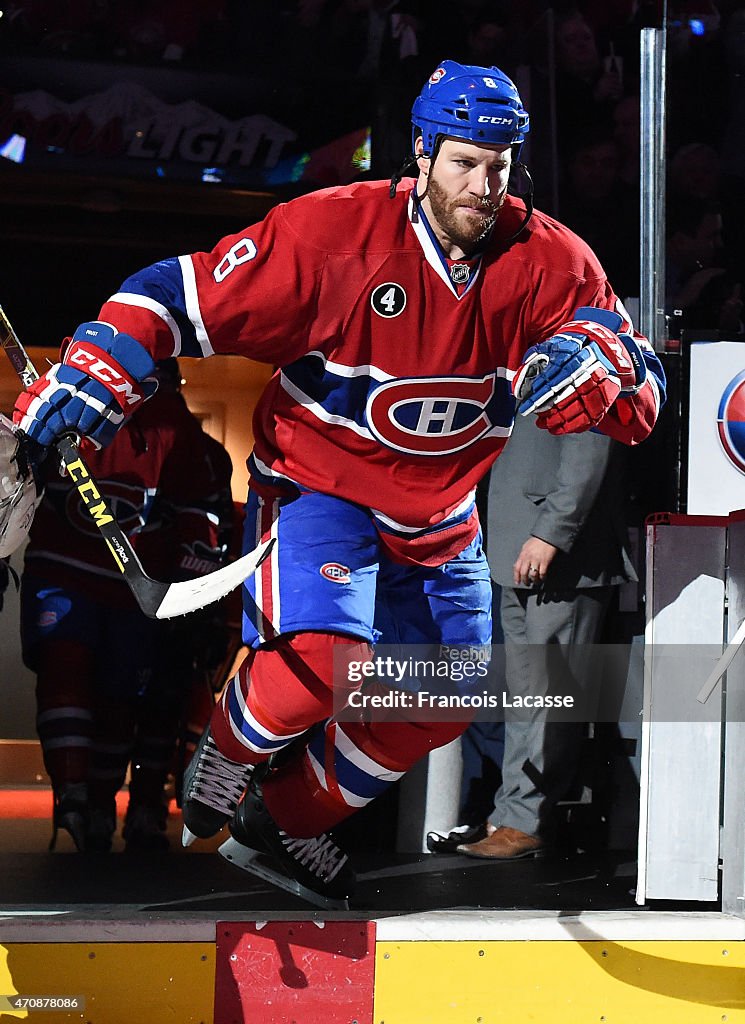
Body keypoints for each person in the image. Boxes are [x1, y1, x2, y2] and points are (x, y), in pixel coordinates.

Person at [12, 59, 665, 904]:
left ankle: (280, 822)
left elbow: (641, 402)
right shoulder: (332, 234)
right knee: (326, 662)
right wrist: (102, 362)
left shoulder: (551, 261)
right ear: (422, 154)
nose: (483, 184)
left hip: (438, 514)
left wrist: (611, 372)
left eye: (499, 166)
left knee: (444, 701)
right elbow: (174, 295)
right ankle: (229, 744)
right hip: (319, 486)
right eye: (464, 162)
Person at [18, 360, 223, 852]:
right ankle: (74, 795)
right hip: (65, 567)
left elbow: (197, 507)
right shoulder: (62, 394)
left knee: (123, 697)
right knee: (66, 671)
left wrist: (196, 584)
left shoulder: (174, 426)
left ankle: (100, 802)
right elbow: (16, 471)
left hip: (135, 584)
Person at [455, 411, 637, 859]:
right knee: (527, 696)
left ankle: (526, 820)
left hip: (560, 557)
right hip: (513, 545)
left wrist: (550, 533)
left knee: (546, 697)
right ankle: (512, 811)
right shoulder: (520, 353)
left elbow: (589, 450)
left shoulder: (577, 348)